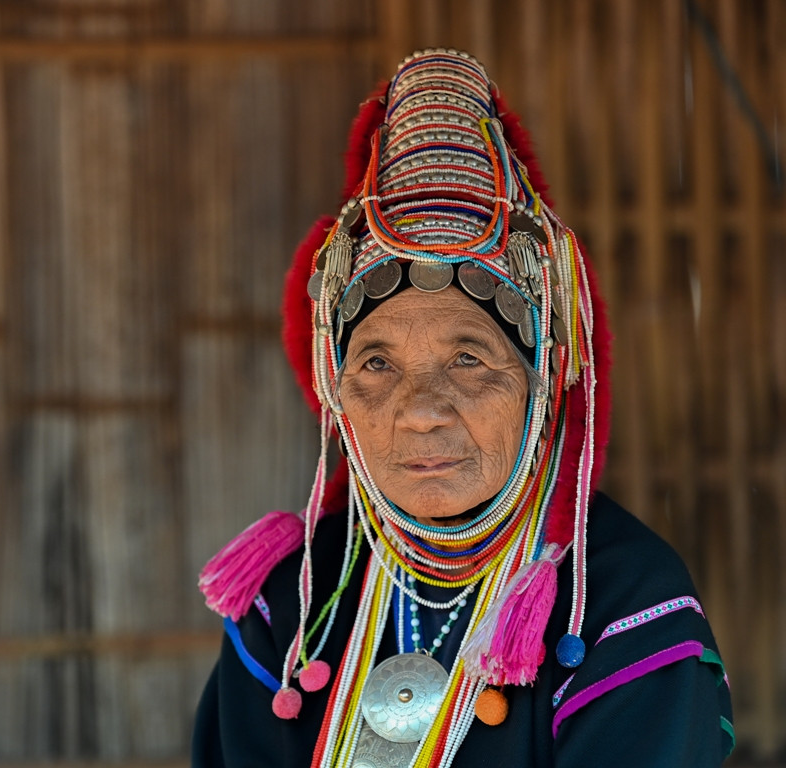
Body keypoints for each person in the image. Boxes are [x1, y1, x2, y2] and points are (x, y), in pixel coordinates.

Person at [192, 49, 734, 767]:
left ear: (540, 384)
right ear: (336, 391)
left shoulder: (621, 607)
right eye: (377, 364)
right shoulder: (293, 609)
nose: (420, 412)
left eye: (469, 359)